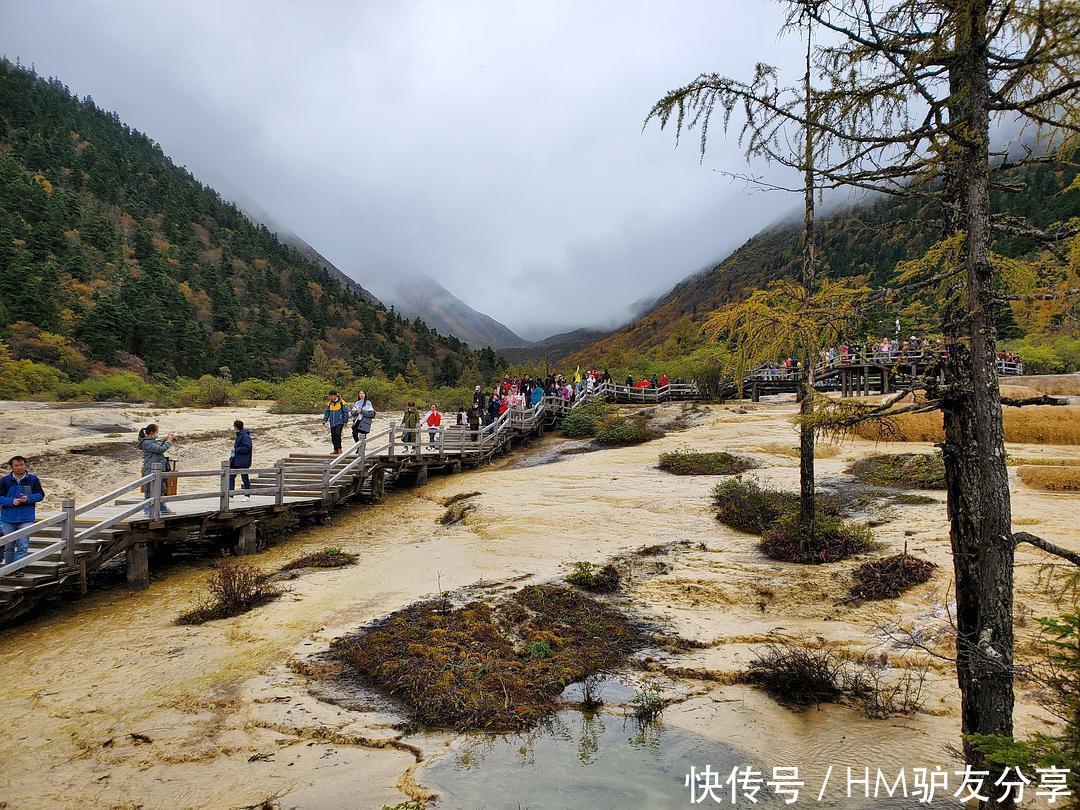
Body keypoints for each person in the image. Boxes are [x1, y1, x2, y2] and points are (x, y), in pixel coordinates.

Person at [0, 456, 45, 571]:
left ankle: (18, 569)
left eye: (22, 465)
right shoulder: (4, 481)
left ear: (25, 465)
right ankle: (8, 569)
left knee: (23, 545)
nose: (20, 467)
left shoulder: (33, 479)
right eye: (16, 465)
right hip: (8, 519)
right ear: (11, 467)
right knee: (8, 546)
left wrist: (28, 498)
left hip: (27, 518)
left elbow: (40, 495)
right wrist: (11, 501)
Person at [137, 424, 175, 515]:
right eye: (157, 432)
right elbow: (160, 449)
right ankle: (147, 508)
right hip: (151, 468)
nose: (157, 434)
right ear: (151, 432)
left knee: (161, 488)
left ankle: (162, 507)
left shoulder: (151, 441)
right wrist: (169, 441)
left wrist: (165, 440)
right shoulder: (147, 443)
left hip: (158, 468)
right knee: (149, 489)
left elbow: (158, 448)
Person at [229, 420, 253, 500]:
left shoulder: (245, 436)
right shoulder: (239, 435)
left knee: (244, 478)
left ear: (235, 427)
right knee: (231, 476)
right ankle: (230, 495)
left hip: (243, 461)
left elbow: (248, 448)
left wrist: (236, 449)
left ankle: (247, 495)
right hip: (236, 460)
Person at [322, 391, 349, 455]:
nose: (331, 397)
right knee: (333, 436)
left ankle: (339, 449)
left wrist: (345, 421)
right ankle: (335, 449)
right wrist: (325, 420)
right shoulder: (329, 403)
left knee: (337, 434)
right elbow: (327, 412)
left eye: (332, 396)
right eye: (330, 396)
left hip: (340, 421)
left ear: (335, 396)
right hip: (332, 422)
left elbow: (346, 412)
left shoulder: (342, 402)